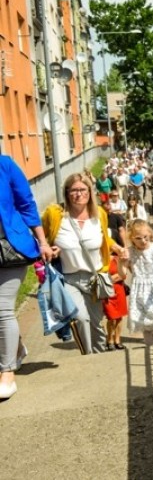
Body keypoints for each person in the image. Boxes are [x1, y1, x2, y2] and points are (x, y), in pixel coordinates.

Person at [43, 173, 130, 355]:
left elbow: (104, 238)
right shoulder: (55, 215)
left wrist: (118, 248)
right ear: (67, 193)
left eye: (83, 189)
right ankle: (87, 357)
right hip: (69, 279)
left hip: (95, 279)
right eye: (74, 190)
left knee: (96, 323)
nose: (79, 194)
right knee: (81, 318)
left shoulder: (99, 214)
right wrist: (50, 249)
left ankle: (99, 358)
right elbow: (41, 238)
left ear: (90, 192)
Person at [0, 155, 54, 398]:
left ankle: (7, 373)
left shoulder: (5, 165)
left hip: (9, 247)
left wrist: (42, 241)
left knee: (2, 309)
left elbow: (26, 204)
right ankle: (17, 348)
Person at [103, 251, 128, 351]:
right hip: (107, 292)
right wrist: (114, 277)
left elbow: (124, 275)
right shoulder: (100, 259)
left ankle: (117, 340)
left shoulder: (118, 259)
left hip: (119, 290)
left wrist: (108, 279)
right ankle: (110, 340)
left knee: (119, 317)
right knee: (111, 317)